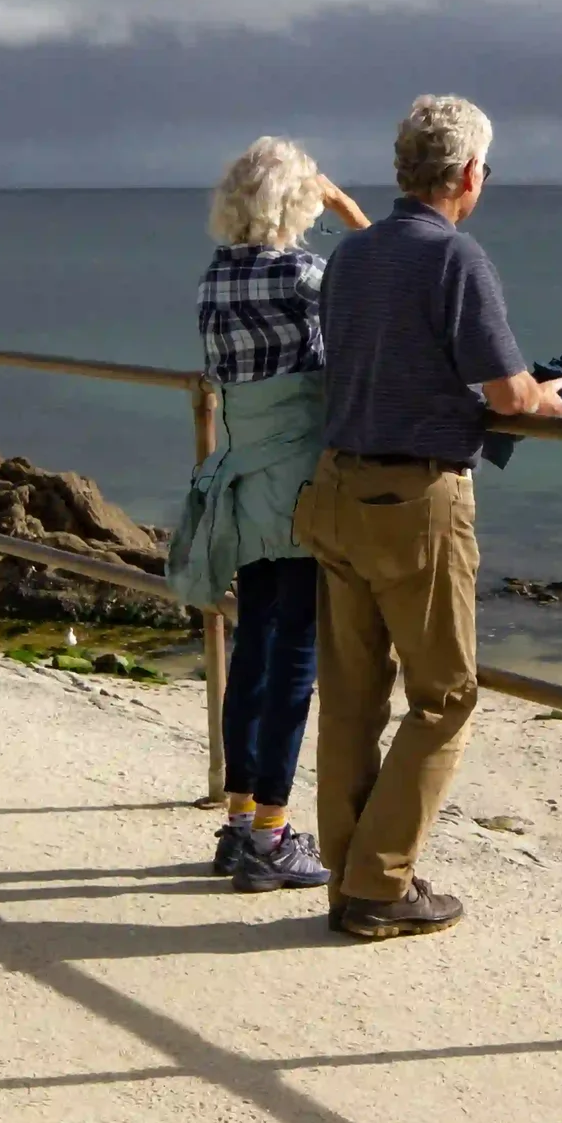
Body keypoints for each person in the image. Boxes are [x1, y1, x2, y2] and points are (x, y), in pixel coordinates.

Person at [293, 95, 562, 940]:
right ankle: (380, 884)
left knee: (348, 699)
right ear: (470, 176)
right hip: (415, 501)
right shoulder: (456, 258)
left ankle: (347, 876)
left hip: (338, 488)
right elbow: (504, 390)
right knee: (444, 699)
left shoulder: (353, 256)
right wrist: (546, 399)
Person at [167, 136, 369, 892]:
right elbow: (382, 290)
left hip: (243, 474)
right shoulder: (303, 273)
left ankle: (239, 818)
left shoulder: (214, 279)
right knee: (295, 660)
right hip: (301, 482)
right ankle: (272, 835)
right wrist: (355, 213)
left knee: (253, 648)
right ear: (299, 203)